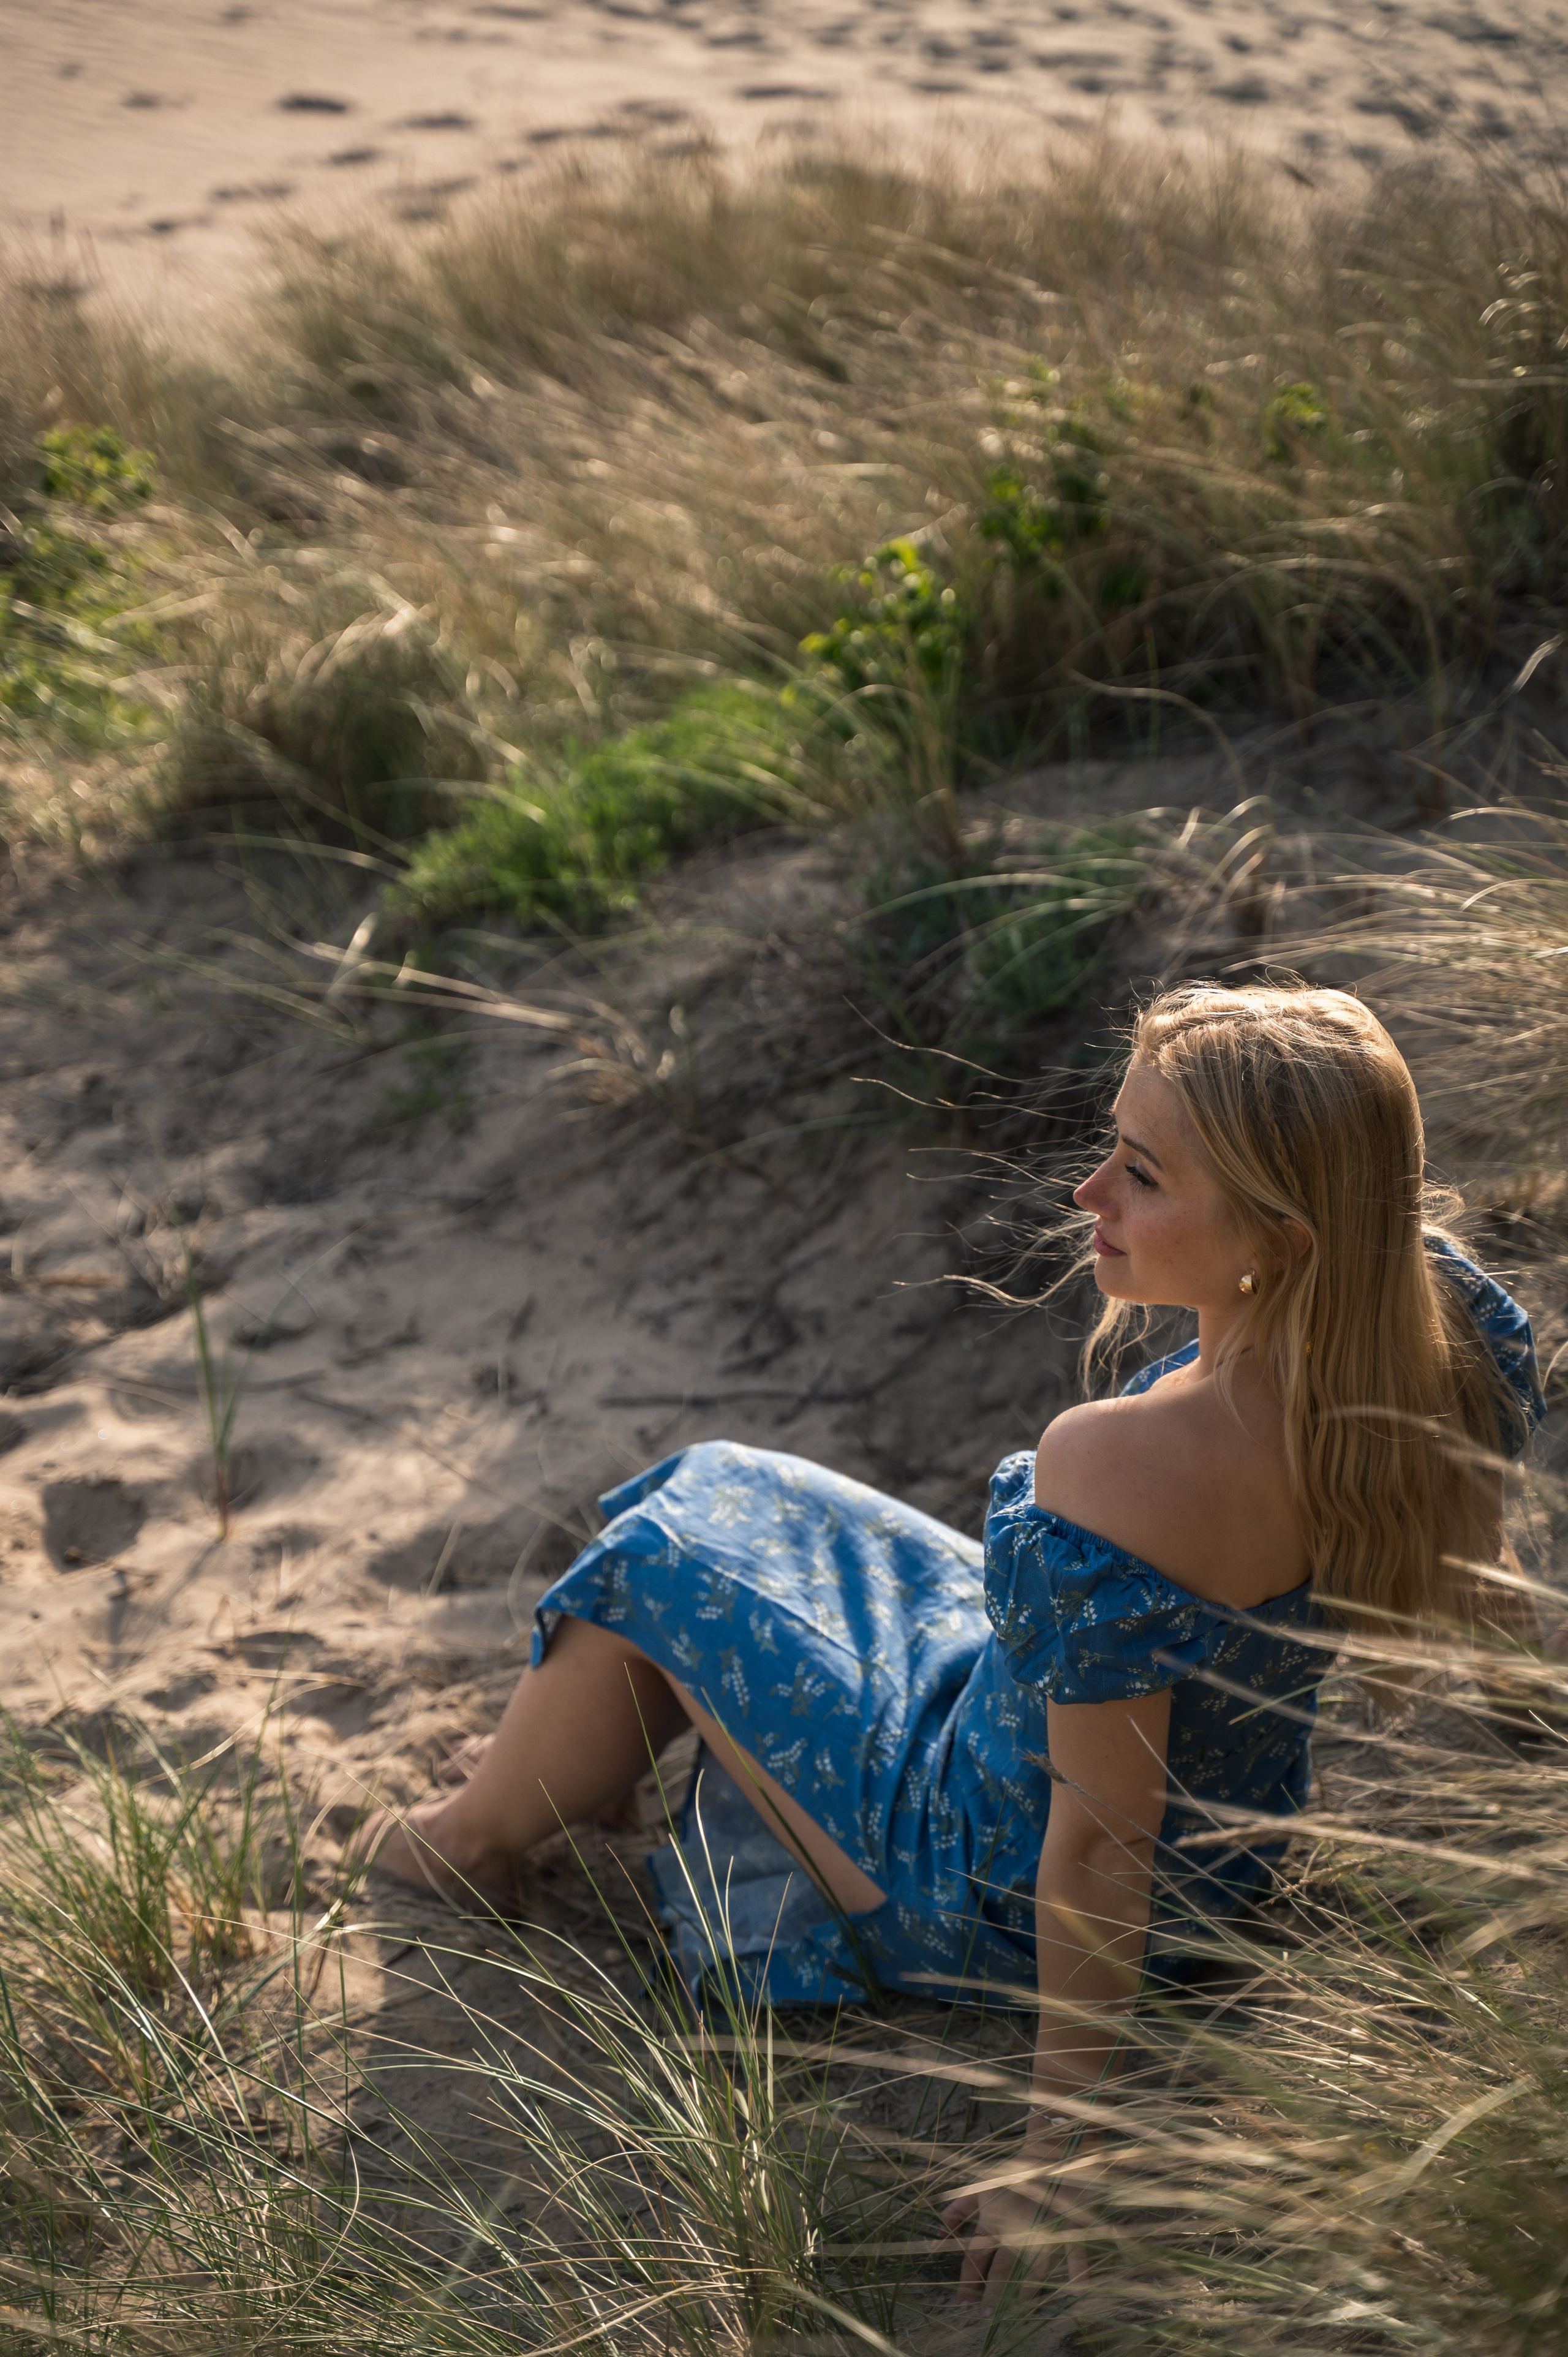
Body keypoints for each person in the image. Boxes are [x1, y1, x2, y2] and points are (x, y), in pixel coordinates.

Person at [357, 982, 1542, 2302]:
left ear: (1281, 1233)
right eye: (1109, 1145)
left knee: (669, 1543)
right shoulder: (1443, 1331)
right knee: (738, 1490)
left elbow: (1096, 1848)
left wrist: (1057, 2152)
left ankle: (470, 1839)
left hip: (981, 1877)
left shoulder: (1127, 1466)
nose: (1088, 1192)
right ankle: (573, 1758)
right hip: (1230, 1862)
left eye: (1140, 1175)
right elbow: (1479, 1575)